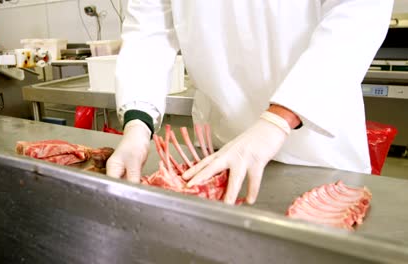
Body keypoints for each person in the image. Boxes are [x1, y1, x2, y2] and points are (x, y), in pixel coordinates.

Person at [106, 1, 394, 204]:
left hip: (316, 155)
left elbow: (357, 16)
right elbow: (148, 31)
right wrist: (137, 123)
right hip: (223, 153)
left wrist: (278, 120)